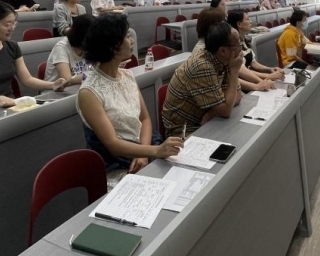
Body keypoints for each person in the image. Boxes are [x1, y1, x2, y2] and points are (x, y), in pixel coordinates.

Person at [78, 14, 183, 172]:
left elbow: (145, 119)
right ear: (112, 45)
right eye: (127, 36)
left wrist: (144, 153)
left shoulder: (127, 75)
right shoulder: (89, 92)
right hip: (117, 162)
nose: (132, 40)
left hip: (143, 149)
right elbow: (113, 144)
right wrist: (153, 151)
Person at [0, 1, 65, 105]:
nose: (11, 28)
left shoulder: (12, 47)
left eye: (13, 23)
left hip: (11, 105)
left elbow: (27, 79)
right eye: (7, 24)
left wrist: (52, 85)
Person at [162, 21, 244, 136]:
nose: (241, 49)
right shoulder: (202, 66)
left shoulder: (223, 60)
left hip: (206, 121)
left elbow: (237, 96)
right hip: (183, 131)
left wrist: (213, 113)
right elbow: (226, 111)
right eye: (238, 45)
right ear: (223, 51)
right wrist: (234, 72)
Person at [227, 9, 285, 89]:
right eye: (247, 19)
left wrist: (270, 69)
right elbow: (242, 70)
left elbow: (253, 63)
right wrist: (268, 77)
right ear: (239, 24)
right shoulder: (233, 45)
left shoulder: (244, 40)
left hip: (250, 80)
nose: (251, 21)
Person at [45, 14, 92, 90]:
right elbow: (66, 80)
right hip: (56, 92)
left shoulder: (89, 48)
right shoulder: (61, 47)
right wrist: (91, 75)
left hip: (79, 88)